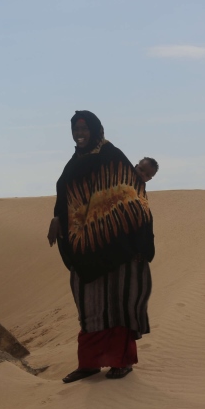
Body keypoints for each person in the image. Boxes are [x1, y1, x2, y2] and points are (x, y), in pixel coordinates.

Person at [48, 111, 155, 382]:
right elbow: (66, 195)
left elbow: (131, 192)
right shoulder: (75, 161)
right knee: (89, 305)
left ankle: (122, 361)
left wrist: (124, 225)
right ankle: (90, 363)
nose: (79, 133)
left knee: (118, 303)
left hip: (119, 245)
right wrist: (57, 218)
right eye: (75, 128)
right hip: (85, 245)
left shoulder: (111, 155)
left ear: (95, 130)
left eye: (84, 128)